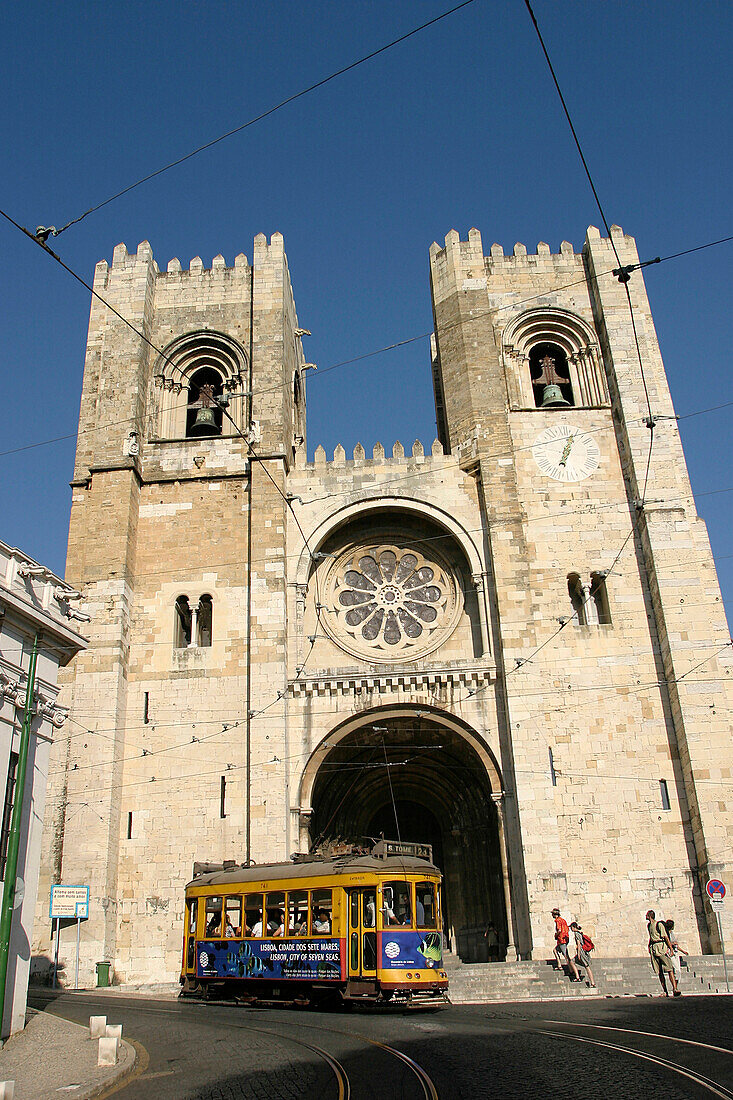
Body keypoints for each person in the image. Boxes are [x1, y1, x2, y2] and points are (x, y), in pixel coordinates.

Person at [646, 909, 680, 996]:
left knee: (669, 969)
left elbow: (665, 937)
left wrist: (671, 949)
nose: (645, 916)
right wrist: (649, 947)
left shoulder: (659, 924)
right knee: (659, 971)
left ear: (650, 916)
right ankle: (665, 991)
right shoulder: (649, 925)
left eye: (647, 915)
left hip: (662, 947)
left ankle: (675, 989)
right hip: (654, 949)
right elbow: (651, 936)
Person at [551, 907, 581, 981]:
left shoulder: (558, 921)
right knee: (555, 950)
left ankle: (573, 972)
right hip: (565, 939)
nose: (552, 915)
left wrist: (556, 935)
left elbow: (559, 930)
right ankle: (559, 965)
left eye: (552, 914)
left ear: (555, 914)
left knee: (566, 957)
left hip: (561, 939)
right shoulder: (563, 920)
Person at [569, 920, 596, 987]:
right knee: (573, 962)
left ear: (574, 927)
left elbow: (579, 944)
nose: (571, 929)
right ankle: (590, 982)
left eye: (571, 927)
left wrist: (578, 954)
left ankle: (589, 981)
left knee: (586, 966)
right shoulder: (580, 933)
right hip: (584, 952)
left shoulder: (576, 934)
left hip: (581, 952)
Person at [665, 919, 688, 987]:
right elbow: (666, 943)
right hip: (670, 952)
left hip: (675, 952)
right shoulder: (666, 934)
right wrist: (672, 943)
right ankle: (675, 987)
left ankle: (675, 986)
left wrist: (683, 951)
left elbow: (676, 945)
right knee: (677, 970)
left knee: (678, 971)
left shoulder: (672, 933)